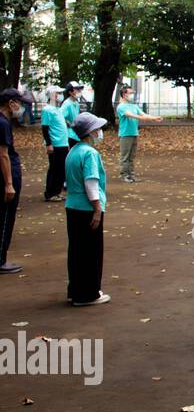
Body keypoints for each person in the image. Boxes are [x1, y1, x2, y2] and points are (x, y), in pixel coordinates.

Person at [64, 112, 111, 307]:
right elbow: (91, 183)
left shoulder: (73, 151)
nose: (100, 132)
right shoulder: (90, 153)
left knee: (77, 250)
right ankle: (88, 294)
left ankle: (76, 290)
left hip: (73, 206)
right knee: (91, 251)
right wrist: (97, 209)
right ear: (90, 132)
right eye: (97, 129)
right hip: (86, 207)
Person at [115, 84, 163, 182]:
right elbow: (132, 115)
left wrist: (154, 118)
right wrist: (143, 118)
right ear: (124, 94)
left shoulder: (133, 106)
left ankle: (131, 174)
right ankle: (125, 175)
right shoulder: (121, 107)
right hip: (125, 134)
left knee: (132, 156)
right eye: (130, 93)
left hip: (134, 133)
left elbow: (143, 114)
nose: (132, 95)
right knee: (125, 156)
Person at [0, 89, 24, 274]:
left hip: (9, 174)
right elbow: (3, 155)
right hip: (8, 177)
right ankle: (1, 260)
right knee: (6, 218)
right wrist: (9, 183)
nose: (20, 107)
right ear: (10, 103)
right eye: (19, 103)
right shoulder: (3, 123)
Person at [41, 88, 70, 202]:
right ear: (51, 95)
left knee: (61, 169)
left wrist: (66, 143)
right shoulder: (47, 110)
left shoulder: (57, 109)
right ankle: (50, 193)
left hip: (62, 143)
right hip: (55, 144)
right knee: (54, 168)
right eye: (57, 93)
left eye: (60, 93)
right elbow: (45, 128)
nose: (60, 95)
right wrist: (49, 144)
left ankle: (57, 191)